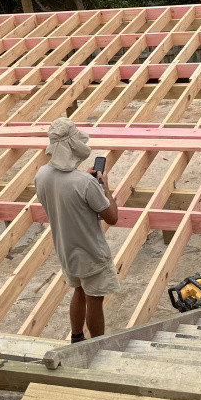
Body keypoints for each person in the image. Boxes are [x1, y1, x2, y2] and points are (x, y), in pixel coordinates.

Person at [34, 118, 119, 343]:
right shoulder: (85, 184)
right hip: (90, 253)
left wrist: (83, 177)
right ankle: (97, 345)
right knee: (95, 299)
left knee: (78, 291)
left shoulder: (41, 175)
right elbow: (113, 217)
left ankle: (77, 337)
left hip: (66, 251)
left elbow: (65, 195)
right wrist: (106, 190)